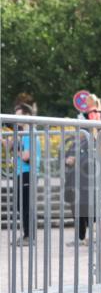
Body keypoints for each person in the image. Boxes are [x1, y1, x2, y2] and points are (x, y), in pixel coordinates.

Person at [11, 104, 40, 243]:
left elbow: (25, 156)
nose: (16, 118)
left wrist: (15, 150)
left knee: (26, 205)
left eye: (19, 115)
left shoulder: (29, 133)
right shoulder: (24, 134)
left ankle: (29, 236)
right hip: (22, 172)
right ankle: (27, 235)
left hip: (28, 172)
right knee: (21, 205)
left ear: (27, 116)